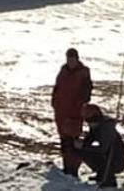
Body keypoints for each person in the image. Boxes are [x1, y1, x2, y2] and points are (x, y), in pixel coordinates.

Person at [51, 47, 94, 177]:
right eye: (68, 58)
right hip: (61, 112)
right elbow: (57, 88)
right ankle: (66, 167)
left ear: (77, 59)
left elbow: (87, 94)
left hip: (74, 113)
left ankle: (73, 169)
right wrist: (54, 102)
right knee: (64, 141)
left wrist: (79, 105)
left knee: (73, 141)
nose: (70, 61)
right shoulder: (63, 71)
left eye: (72, 59)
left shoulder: (83, 73)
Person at [77, 103, 124, 188]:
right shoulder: (96, 126)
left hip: (115, 160)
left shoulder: (106, 128)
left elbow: (103, 149)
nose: (89, 123)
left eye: (90, 120)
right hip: (106, 157)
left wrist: (84, 147)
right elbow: (89, 140)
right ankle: (101, 174)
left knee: (92, 153)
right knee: (84, 152)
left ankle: (108, 178)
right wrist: (82, 144)